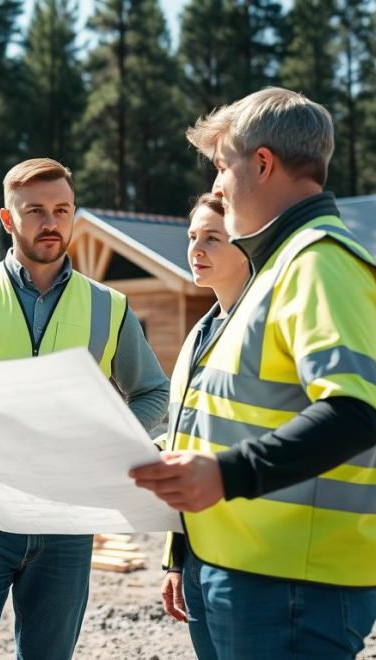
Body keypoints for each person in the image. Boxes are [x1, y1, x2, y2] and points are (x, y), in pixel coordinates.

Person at [131, 87, 376, 659]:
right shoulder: (273, 272)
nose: (218, 187)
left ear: (261, 164)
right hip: (240, 566)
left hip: (291, 583)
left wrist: (227, 475)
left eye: (222, 167)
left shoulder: (319, 262)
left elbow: (353, 413)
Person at [0, 157, 169, 660]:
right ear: (7, 218)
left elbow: (154, 393)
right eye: (36, 210)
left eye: (62, 210)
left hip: (68, 521)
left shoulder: (109, 306)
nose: (51, 222)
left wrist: (111, 435)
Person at [159, 194, 249, 624]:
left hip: (248, 554)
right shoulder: (199, 334)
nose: (195, 250)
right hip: (196, 549)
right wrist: (176, 560)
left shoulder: (262, 328)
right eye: (193, 236)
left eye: (212, 238)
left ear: (247, 242)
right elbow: (184, 439)